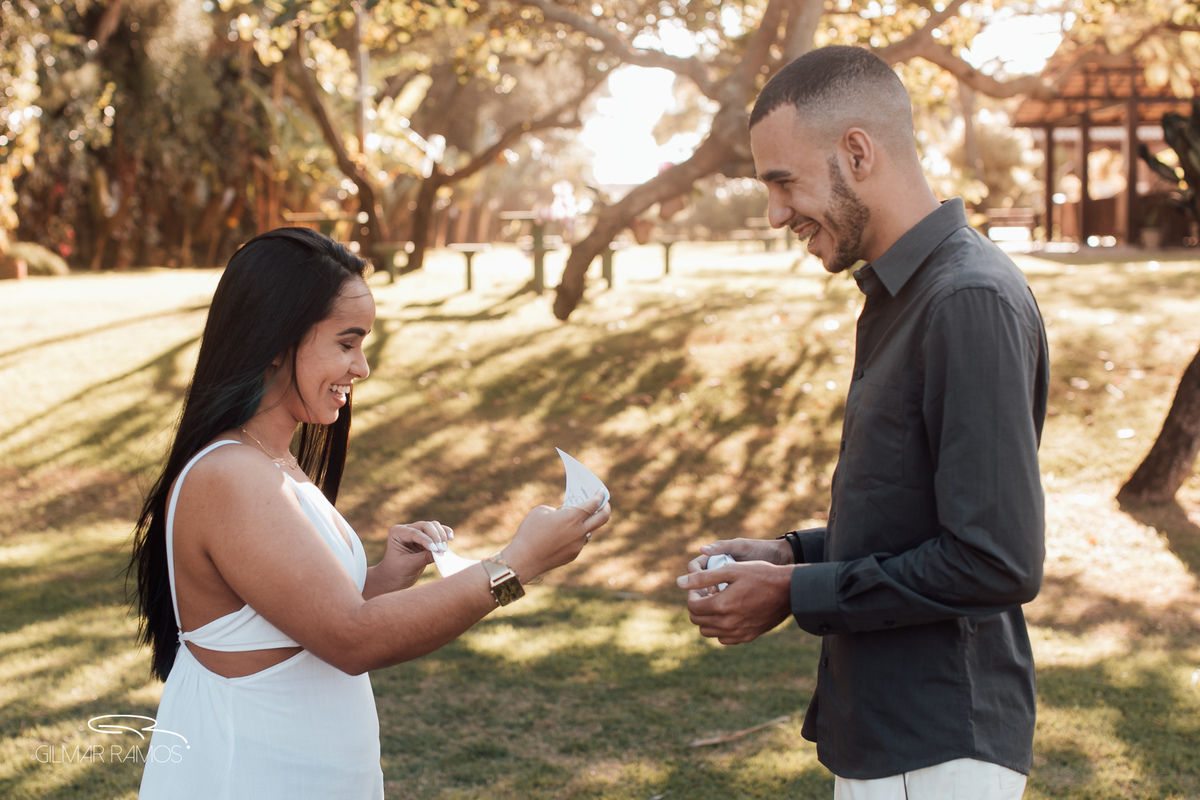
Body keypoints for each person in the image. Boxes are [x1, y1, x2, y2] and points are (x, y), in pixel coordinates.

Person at [677, 46, 1049, 799]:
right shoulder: (899, 296)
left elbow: (995, 560)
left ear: (857, 152)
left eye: (784, 183)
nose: (776, 214)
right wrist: (790, 556)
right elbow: (914, 521)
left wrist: (796, 594)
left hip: (937, 742)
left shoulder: (964, 299)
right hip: (892, 735)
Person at [129, 227, 610, 799]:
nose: (361, 367)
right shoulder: (230, 474)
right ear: (276, 341)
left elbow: (296, 618)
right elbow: (350, 640)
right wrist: (515, 565)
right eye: (346, 343)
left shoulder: (270, 457)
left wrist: (381, 579)